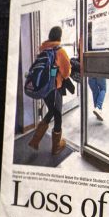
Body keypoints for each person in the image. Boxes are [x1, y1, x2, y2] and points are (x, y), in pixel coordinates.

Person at [27, 26, 72, 155]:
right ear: (59, 36)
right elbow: (66, 72)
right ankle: (56, 146)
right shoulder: (60, 51)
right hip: (55, 88)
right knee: (57, 114)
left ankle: (35, 140)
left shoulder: (44, 49)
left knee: (51, 111)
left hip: (44, 88)